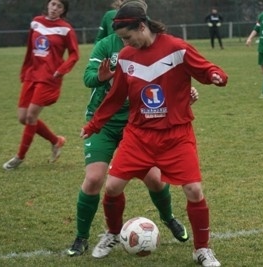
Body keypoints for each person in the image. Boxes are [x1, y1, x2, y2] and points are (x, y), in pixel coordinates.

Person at [80, 2, 228, 266]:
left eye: (128, 36)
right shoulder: (126, 56)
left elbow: (205, 68)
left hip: (176, 134)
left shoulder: (176, 48)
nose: (126, 43)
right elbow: (115, 98)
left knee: (194, 190)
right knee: (112, 186)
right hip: (139, 135)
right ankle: (113, 233)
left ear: (141, 26)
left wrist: (216, 75)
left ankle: (202, 249)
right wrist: (94, 125)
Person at [2, 0, 79, 170]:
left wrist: (61, 70)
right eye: (53, 4)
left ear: (63, 10)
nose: (55, 8)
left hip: (49, 78)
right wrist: (24, 71)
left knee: (31, 117)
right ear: (48, 5)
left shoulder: (65, 29)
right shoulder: (36, 22)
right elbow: (30, 49)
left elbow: (74, 55)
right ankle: (56, 141)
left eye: (59, 6)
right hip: (32, 75)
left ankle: (19, 157)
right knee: (23, 117)